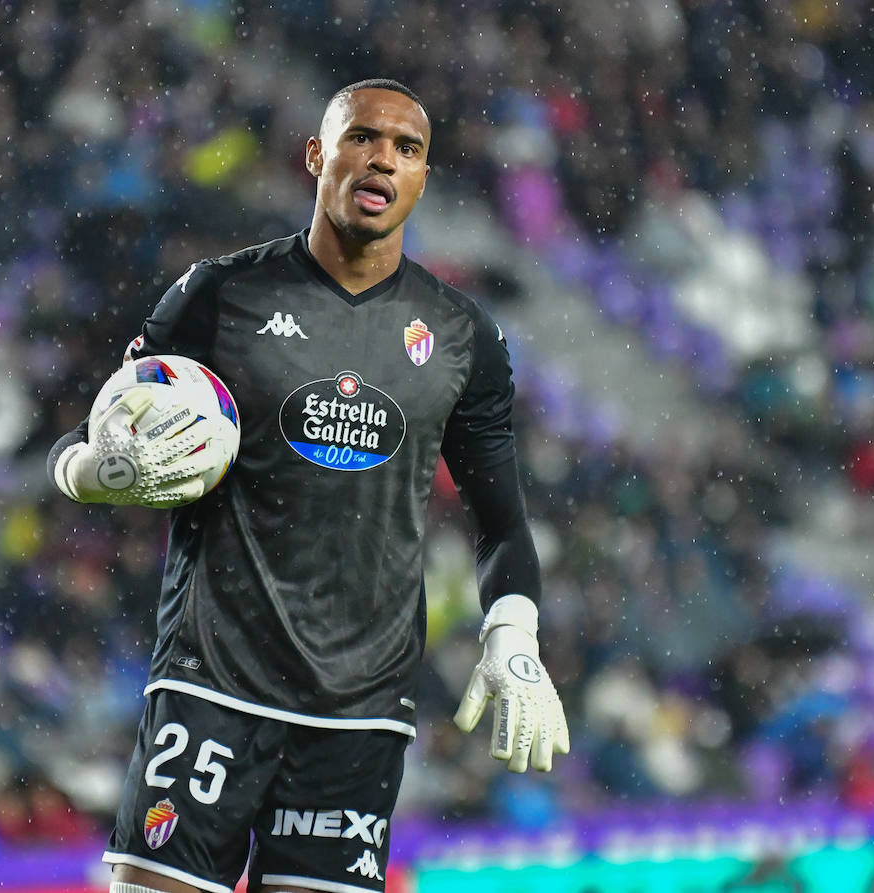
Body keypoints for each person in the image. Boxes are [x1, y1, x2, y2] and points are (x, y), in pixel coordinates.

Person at [46, 79, 568, 893]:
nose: (383, 160)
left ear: (423, 178)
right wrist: (96, 471)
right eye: (363, 138)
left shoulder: (465, 336)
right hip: (211, 685)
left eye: (407, 149)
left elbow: (502, 521)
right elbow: (86, 439)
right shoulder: (219, 295)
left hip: (357, 715)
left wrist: (514, 636)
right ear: (319, 155)